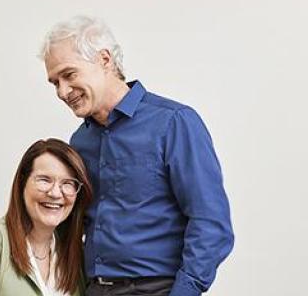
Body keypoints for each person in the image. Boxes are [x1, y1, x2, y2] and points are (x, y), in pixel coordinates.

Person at [39, 16, 235, 296]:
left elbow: (211, 222)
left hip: (156, 289)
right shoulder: (80, 140)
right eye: (54, 82)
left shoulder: (173, 123)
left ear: (104, 60)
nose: (62, 91)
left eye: (69, 75)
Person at [0, 138, 93, 296]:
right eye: (44, 180)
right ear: (23, 183)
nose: (55, 193)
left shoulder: (76, 254)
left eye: (67, 183)